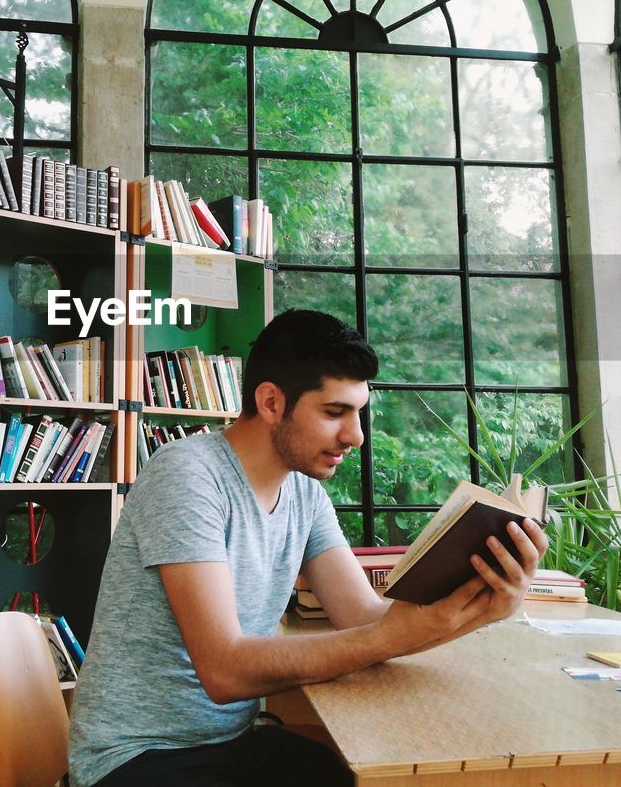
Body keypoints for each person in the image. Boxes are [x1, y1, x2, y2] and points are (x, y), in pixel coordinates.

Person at [68, 309, 548, 787]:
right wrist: (398, 633)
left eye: (358, 412)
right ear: (272, 402)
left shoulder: (304, 494)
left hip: (232, 743)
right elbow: (225, 671)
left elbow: (363, 616)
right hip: (135, 756)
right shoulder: (187, 475)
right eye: (335, 412)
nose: (356, 436)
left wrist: (487, 607)